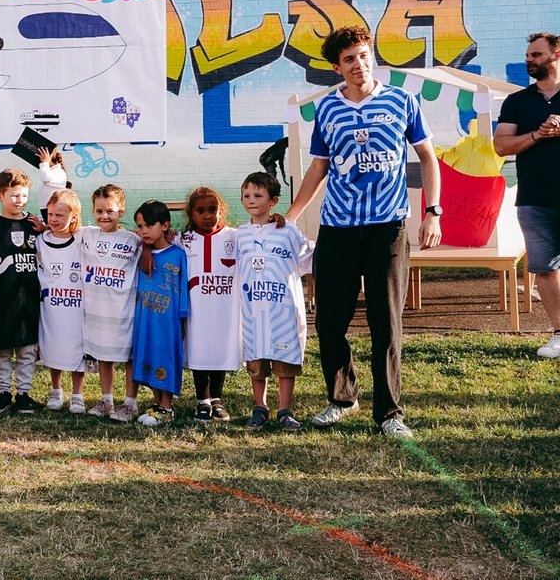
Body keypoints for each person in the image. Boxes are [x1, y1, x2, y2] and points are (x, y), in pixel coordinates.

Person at [286, 25, 441, 439]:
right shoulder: (327, 111)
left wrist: (432, 212)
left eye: (363, 55)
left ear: (372, 57)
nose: (359, 64)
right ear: (338, 68)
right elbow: (318, 168)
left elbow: (428, 157)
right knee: (330, 321)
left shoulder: (402, 101)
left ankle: (390, 413)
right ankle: (342, 397)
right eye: (349, 59)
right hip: (337, 228)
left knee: (385, 323)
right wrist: (290, 215)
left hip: (386, 228)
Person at [494, 32, 560, 359]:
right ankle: (559, 334)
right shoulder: (517, 101)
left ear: (556, 55)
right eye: (528, 56)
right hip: (534, 199)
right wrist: (537, 134)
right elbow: (501, 146)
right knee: (545, 268)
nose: (529, 61)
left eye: (536, 55)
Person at [236, 172, 315, 432]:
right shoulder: (240, 234)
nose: (251, 200)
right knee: (257, 364)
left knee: (285, 365)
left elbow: (310, 258)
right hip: (252, 312)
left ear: (273, 201)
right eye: (247, 195)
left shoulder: (287, 231)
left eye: (258, 195)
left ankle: (284, 409)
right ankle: (260, 407)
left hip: (283, 312)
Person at [0, 168, 42, 415]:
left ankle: (24, 393)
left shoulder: (35, 225)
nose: (19, 200)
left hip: (29, 298)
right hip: (1, 298)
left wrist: (44, 229)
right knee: (2, 349)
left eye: (23, 195)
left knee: (27, 349)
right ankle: (3, 392)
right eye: (13, 195)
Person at [176, 186, 241, 423]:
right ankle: (202, 401)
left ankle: (217, 399)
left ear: (221, 211)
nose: (207, 215)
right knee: (199, 350)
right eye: (200, 210)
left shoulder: (235, 236)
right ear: (191, 214)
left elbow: (258, 232)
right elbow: (155, 241)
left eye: (212, 210)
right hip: (196, 309)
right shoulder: (182, 240)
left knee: (219, 349)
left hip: (224, 308)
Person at [80, 184, 142, 422]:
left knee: (127, 357)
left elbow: (150, 248)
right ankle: (106, 399)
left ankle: (130, 402)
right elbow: (65, 228)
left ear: (121, 210)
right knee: (103, 354)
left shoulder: (132, 240)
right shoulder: (87, 234)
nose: (104, 216)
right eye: (99, 211)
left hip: (124, 311)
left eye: (110, 211)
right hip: (98, 310)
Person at [132, 200, 189, 427]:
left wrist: (182, 316)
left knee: (165, 357)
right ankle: (156, 403)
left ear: (165, 225)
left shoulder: (178, 254)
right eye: (139, 225)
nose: (143, 230)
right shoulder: (140, 252)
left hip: (169, 319)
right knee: (148, 356)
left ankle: (167, 406)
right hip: (145, 317)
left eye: (148, 225)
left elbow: (184, 286)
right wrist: (146, 248)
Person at [37, 188, 87, 413]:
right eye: (50, 215)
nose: (54, 220)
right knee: (53, 345)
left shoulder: (84, 238)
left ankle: (78, 394)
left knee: (77, 347)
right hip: (51, 306)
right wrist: (46, 228)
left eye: (60, 215)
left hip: (76, 306)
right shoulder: (40, 240)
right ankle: (56, 389)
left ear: (73, 216)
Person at [35, 146, 68, 220]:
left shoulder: (59, 173)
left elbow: (47, 179)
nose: (41, 162)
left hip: (54, 209)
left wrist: (45, 163)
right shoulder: (51, 171)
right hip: (46, 208)